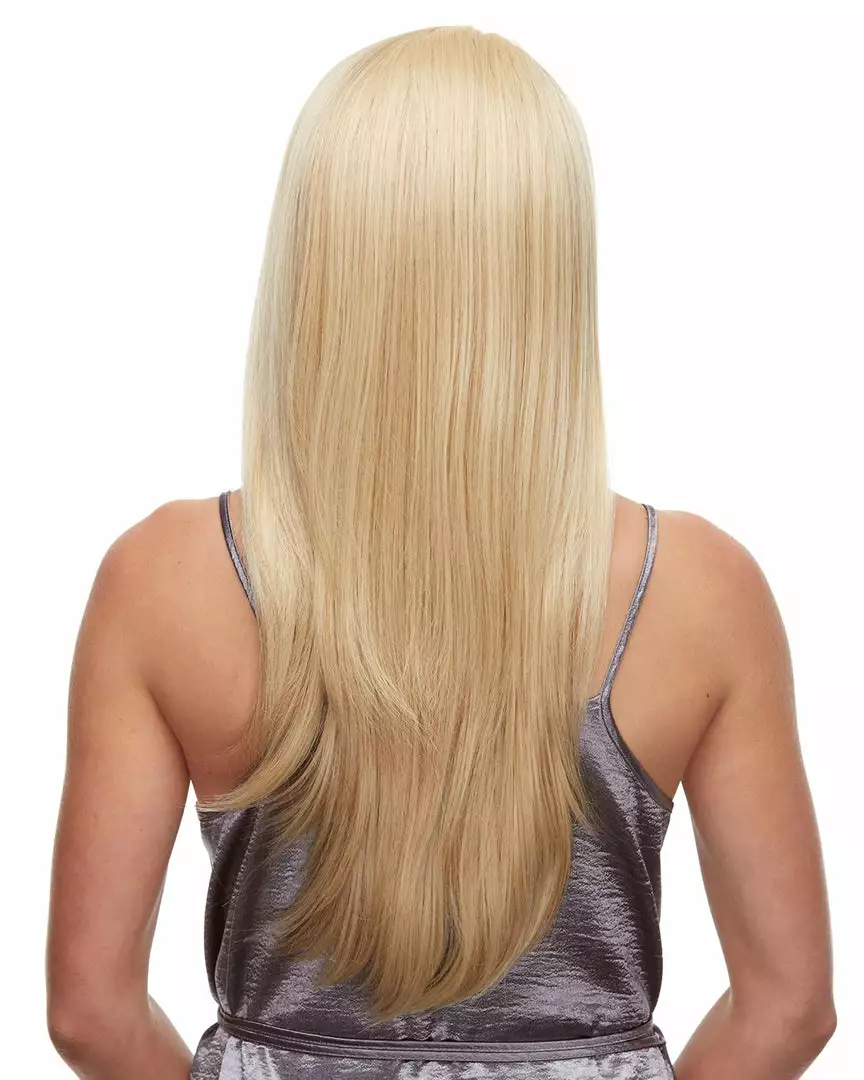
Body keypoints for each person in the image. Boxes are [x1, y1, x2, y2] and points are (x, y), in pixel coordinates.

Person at [45, 24, 835, 1080]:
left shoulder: (168, 580)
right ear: (550, 262)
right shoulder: (693, 591)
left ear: (315, 253)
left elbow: (89, 1013)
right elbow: (789, 1007)